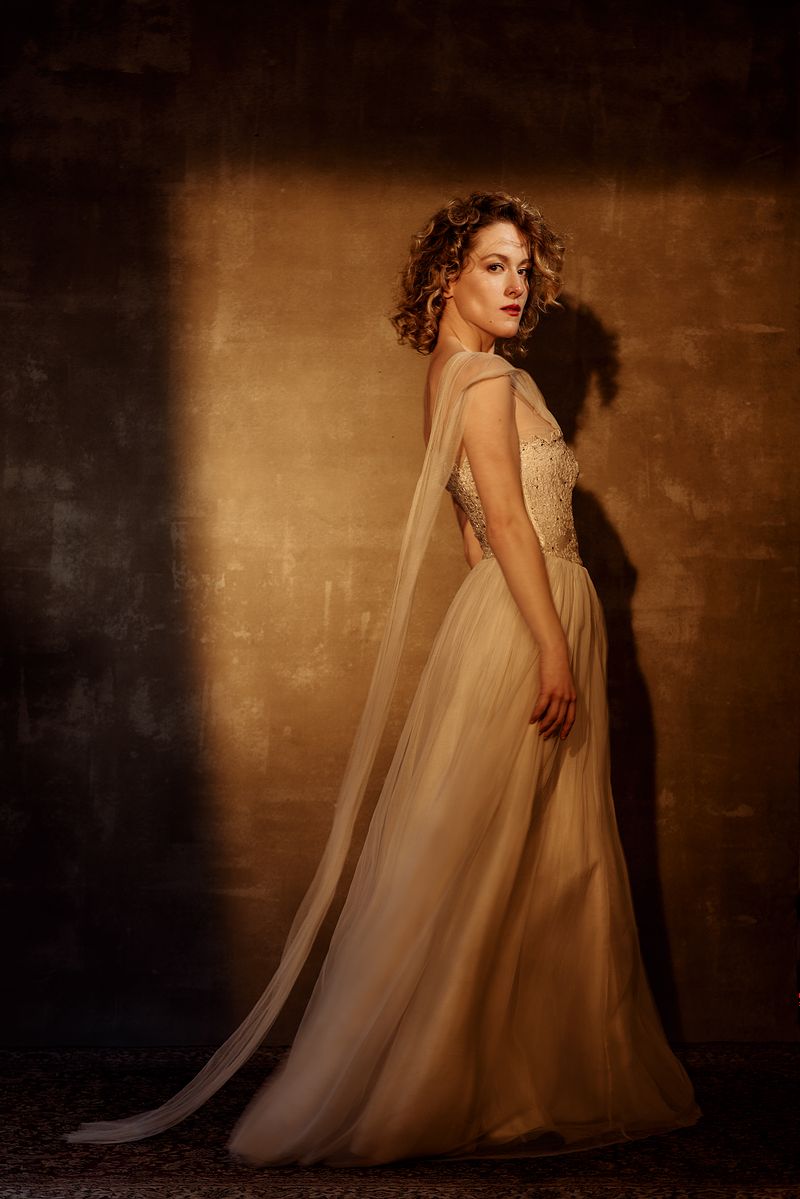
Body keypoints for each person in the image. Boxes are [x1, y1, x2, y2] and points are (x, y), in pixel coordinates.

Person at [67, 191, 701, 1165]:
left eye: (523, 268)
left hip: (511, 611)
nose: (515, 284)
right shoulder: (483, 379)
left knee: (527, 855)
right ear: (448, 274)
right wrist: (548, 646)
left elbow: (468, 533)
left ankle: (511, 1075)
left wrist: (516, 628)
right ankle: (443, 1082)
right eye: (493, 264)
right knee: (505, 856)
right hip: (533, 619)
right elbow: (505, 522)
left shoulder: (451, 373)